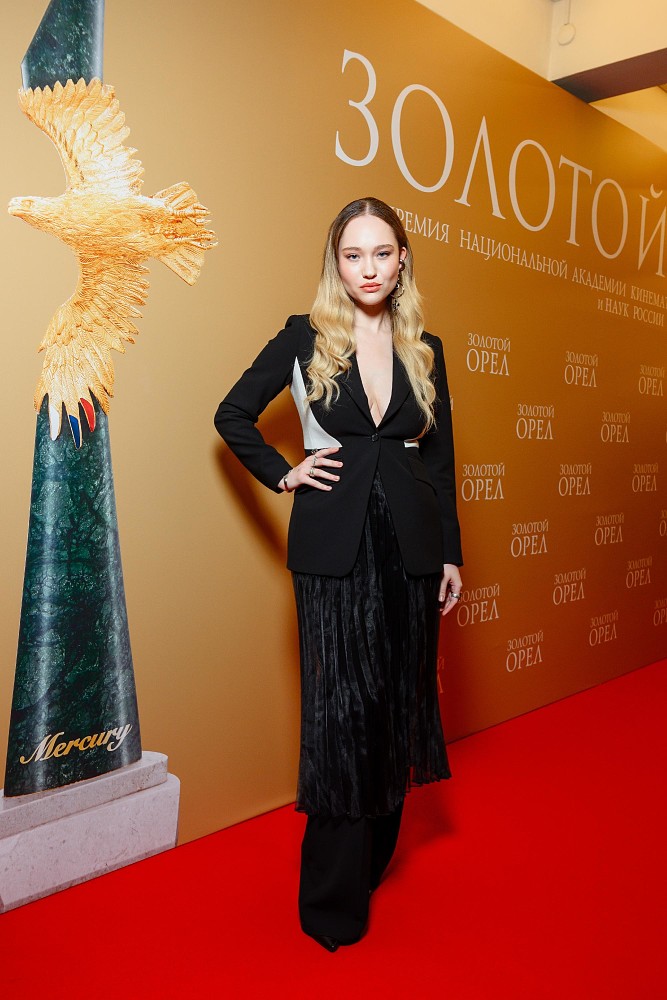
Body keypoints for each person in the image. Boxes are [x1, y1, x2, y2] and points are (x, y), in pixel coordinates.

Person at [214, 197, 463, 951]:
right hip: (333, 551)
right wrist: (284, 472)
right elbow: (232, 414)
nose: (368, 269)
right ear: (336, 263)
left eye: (382, 253)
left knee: (392, 704)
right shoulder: (304, 336)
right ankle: (330, 899)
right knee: (340, 713)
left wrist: (450, 553)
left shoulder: (426, 348)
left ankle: (372, 860)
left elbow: (440, 462)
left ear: (402, 259)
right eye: (353, 255)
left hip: (411, 550)